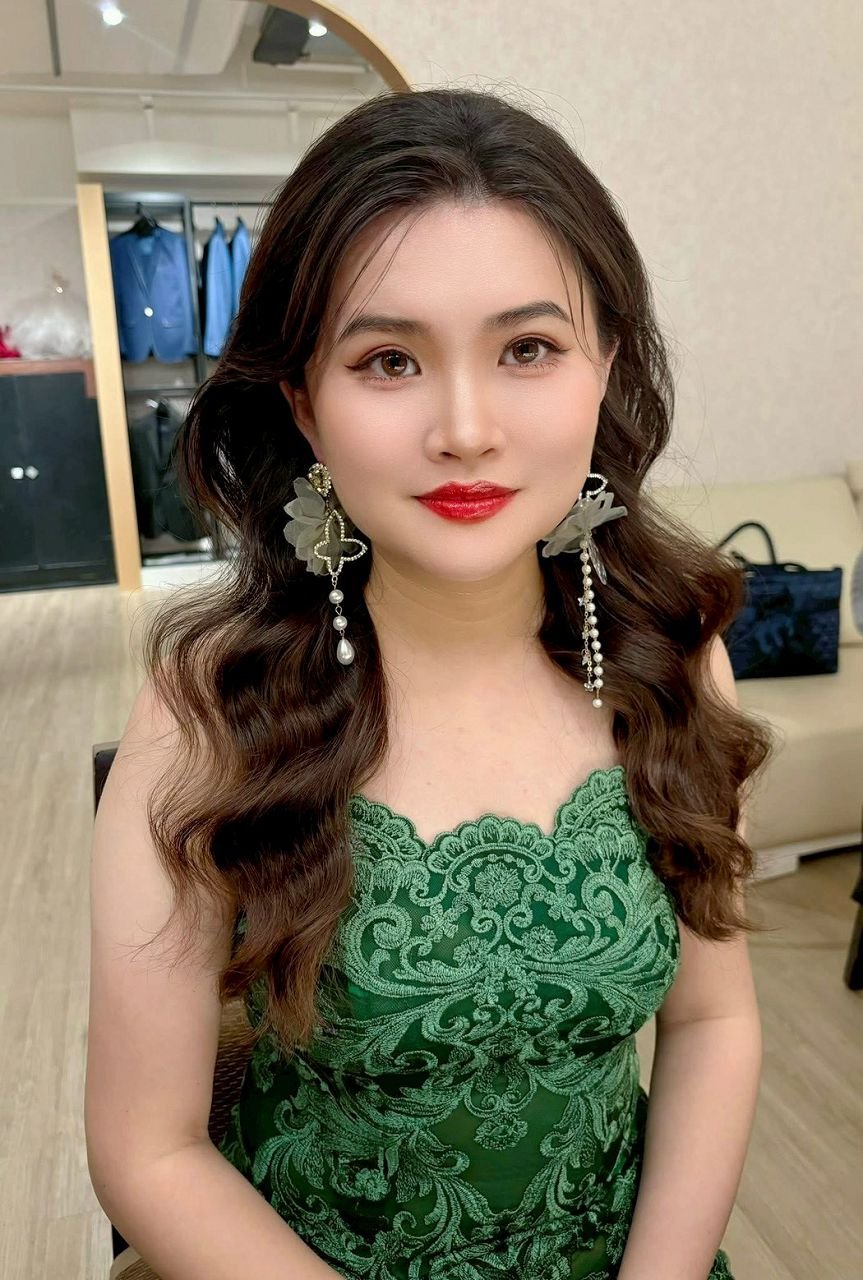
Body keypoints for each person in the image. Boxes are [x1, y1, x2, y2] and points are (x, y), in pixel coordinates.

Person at [86, 87, 773, 1280]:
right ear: (304, 402)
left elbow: (713, 1018)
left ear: (603, 366)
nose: (464, 428)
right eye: (389, 360)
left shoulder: (672, 658)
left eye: (526, 349)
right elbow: (146, 1148)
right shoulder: (207, 714)